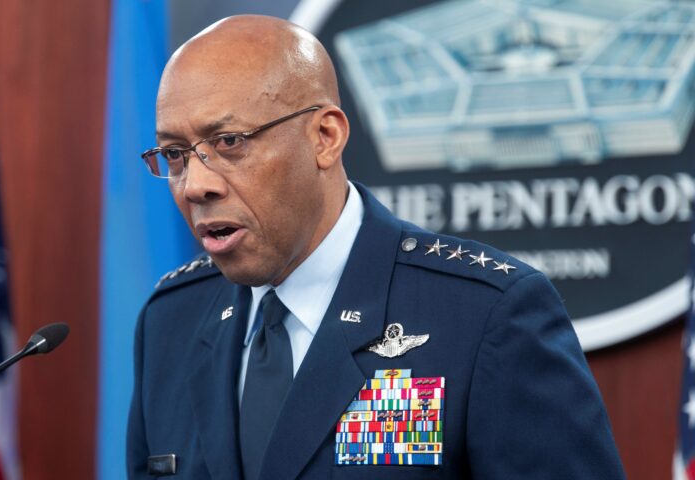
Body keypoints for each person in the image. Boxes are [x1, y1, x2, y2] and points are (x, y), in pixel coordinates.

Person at [127, 15, 625, 480]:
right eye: (174, 154)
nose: (195, 185)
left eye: (230, 141)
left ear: (325, 137)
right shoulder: (171, 320)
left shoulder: (484, 315)